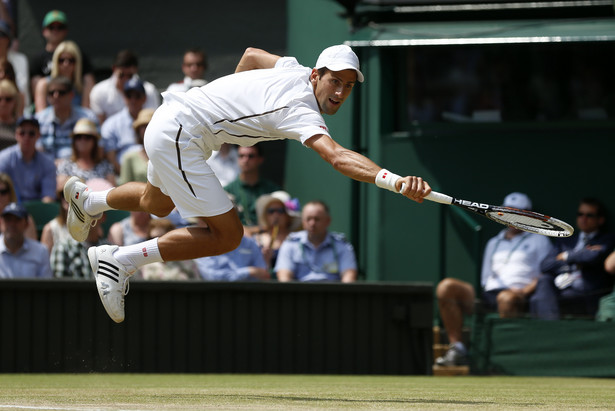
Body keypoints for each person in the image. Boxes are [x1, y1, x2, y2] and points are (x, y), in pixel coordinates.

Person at [63, 44, 430, 323]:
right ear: (317, 75)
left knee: (156, 202)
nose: (339, 92)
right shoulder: (300, 109)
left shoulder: (293, 69)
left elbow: (252, 55)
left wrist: (227, 110)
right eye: (335, 81)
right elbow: (336, 157)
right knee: (229, 235)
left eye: (348, 86)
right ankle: (119, 259)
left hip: (173, 119)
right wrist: (395, 181)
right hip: (182, 133)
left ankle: (89, 200)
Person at [435, 192, 553, 367]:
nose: (510, 216)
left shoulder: (540, 240)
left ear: (528, 214)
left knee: (505, 299)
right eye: (507, 211)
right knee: (446, 287)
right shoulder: (493, 242)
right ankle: (458, 349)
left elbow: (544, 274)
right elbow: (485, 278)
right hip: (490, 294)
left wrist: (523, 291)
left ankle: (504, 360)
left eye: (516, 211)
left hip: (520, 295)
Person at [530, 197, 615, 320]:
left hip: (586, 292)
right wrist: (574, 261)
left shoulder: (607, 239)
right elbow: (545, 265)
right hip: (561, 288)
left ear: (600, 220)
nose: (583, 219)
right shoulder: (565, 240)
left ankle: (549, 329)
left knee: (539, 299)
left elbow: (592, 257)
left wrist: (566, 256)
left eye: (589, 215)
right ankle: (550, 327)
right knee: (544, 281)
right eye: (580, 214)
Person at [274, 200, 357, 282]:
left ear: (328, 221)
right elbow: (284, 278)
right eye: (308, 219)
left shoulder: (341, 246)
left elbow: (348, 277)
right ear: (303, 222)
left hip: (332, 293)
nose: (312, 223)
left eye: (317, 219)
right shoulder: (291, 244)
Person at [29, 10, 95, 108]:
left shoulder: (80, 55)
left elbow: (88, 81)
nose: (66, 64)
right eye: (52, 27)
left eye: (71, 60)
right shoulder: (38, 62)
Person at [35, 76, 98, 161]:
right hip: (47, 168)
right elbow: (36, 150)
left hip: (78, 168)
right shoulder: (38, 120)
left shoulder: (88, 117)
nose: (56, 96)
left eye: (61, 93)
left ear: (71, 95)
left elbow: (98, 149)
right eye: (51, 93)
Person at [89, 50, 160, 124]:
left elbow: (153, 121)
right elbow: (99, 125)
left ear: (136, 70)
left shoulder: (149, 90)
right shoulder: (98, 91)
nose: (125, 79)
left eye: (130, 75)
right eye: (121, 75)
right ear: (114, 69)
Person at [224, 144, 281, 234]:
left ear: (260, 159)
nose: (245, 160)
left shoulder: (273, 190)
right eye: (241, 156)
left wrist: (254, 230)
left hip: (267, 238)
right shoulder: (227, 190)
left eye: (251, 156)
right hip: (238, 239)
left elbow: (280, 222)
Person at [194, 216, 269, 281]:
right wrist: (249, 271)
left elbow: (263, 274)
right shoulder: (202, 246)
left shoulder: (249, 243)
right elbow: (212, 277)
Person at [0, 117, 56, 203]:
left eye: (31, 133)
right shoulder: (3, 158)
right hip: (9, 210)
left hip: (37, 212)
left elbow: (48, 197)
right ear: (16, 135)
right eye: (22, 133)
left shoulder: (48, 163)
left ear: (38, 136)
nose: (26, 137)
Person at [100, 78, 148, 174]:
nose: (133, 100)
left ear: (144, 98)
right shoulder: (111, 124)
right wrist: (127, 176)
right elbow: (111, 158)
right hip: (122, 175)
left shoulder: (155, 119)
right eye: (129, 96)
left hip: (152, 173)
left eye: (137, 96)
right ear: (123, 97)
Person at [33, 40, 94, 112]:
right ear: (55, 61)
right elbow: (40, 114)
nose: (66, 64)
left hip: (78, 122)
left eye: (71, 60)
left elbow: (86, 113)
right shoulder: (44, 84)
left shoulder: (85, 83)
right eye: (61, 60)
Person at [56, 118, 115, 188]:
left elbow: (113, 192)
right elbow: (60, 191)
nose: (83, 140)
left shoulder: (106, 166)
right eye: (78, 137)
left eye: (87, 137)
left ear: (94, 141)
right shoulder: (66, 165)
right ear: (74, 141)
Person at [253, 190, 301, 272]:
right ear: (265, 215)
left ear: (288, 215)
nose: (276, 215)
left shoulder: (296, 239)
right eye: (271, 211)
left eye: (280, 211)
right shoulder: (257, 239)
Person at [0, 202, 52, 278]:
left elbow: (46, 286)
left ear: (26, 224)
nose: (12, 224)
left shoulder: (41, 251)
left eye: (17, 220)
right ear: (1, 222)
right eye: (8, 220)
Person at [50, 213, 106, 279]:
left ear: (103, 217)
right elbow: (59, 285)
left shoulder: (110, 249)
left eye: (92, 213)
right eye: (83, 213)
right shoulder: (63, 248)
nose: (87, 218)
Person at [119, 108, 154, 185]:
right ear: (138, 131)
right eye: (143, 126)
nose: (147, 129)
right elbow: (125, 189)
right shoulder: (129, 158)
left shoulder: (167, 155)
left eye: (150, 125)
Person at [0, 20, 29, 111]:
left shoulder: (21, 59)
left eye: (1, 35)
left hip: (18, 110)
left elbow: (22, 89)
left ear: (8, 39)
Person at [0, 172, 36, 239]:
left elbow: (32, 247)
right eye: (8, 220)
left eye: (3, 192)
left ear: (10, 193)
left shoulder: (24, 218)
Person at [0, 78, 19, 149]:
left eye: (8, 99)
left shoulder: (22, 125)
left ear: (15, 102)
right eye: (0, 99)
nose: (3, 103)